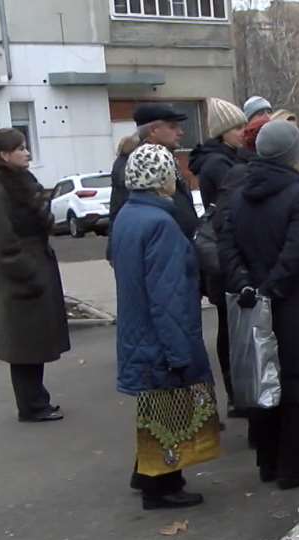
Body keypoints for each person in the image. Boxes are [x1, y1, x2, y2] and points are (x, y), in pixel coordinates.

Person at [219, 120, 299, 489]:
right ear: (294, 154)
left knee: (265, 384)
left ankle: (268, 463)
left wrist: (247, 287)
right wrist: (273, 289)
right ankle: (293, 468)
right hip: (297, 307)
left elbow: (227, 247)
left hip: (254, 306)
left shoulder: (240, 194)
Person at [112, 143, 219, 509]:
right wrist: (179, 352)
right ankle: (162, 487)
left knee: (155, 407)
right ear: (163, 178)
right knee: (170, 407)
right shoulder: (161, 224)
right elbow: (168, 296)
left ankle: (146, 473)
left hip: (138, 329)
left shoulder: (128, 215)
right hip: (162, 334)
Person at [0, 128, 69, 424]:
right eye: (21, 148)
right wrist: (27, 274)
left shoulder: (22, 181)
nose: (27, 152)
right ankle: (31, 405)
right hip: (21, 272)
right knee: (24, 343)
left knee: (36, 339)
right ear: (4, 155)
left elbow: (40, 219)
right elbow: (3, 241)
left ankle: (38, 399)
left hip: (37, 262)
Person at [188, 98, 249, 412]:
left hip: (223, 252)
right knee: (230, 329)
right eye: (238, 128)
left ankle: (237, 391)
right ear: (223, 132)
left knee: (232, 327)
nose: (243, 132)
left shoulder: (228, 158)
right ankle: (236, 393)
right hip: (224, 255)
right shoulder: (219, 164)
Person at [107, 104, 199, 263]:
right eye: (172, 127)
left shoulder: (166, 159)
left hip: (178, 249)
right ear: (153, 130)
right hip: (160, 254)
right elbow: (122, 209)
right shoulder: (136, 164)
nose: (180, 132)